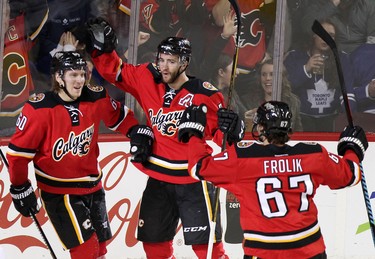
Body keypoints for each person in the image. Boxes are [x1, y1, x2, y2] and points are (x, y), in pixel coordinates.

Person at [82, 17, 245, 258]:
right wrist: (101, 50)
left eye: (171, 61)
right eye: (161, 60)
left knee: (208, 250)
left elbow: (221, 136)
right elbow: (115, 71)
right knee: (154, 245)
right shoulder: (147, 77)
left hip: (194, 181)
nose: (164, 66)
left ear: (185, 63)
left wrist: (233, 131)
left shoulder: (205, 94)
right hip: (159, 179)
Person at [178, 100, 368, 258]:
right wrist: (352, 148)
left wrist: (195, 135)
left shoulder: (243, 158)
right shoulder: (314, 154)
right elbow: (350, 175)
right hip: (310, 249)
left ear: (261, 127)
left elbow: (198, 167)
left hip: (264, 250)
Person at [6, 51, 141, 259]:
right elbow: (18, 155)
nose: (79, 80)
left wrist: (136, 131)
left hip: (93, 186)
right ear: (59, 77)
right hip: (60, 192)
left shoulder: (95, 96)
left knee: (100, 248)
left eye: (82, 74)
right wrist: (19, 186)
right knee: (85, 250)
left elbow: (119, 117)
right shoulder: (40, 108)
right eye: (73, 75)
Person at [284, 19, 354, 132]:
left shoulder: (342, 59)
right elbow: (286, 88)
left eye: (331, 35)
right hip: (301, 119)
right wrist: (306, 68)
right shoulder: (295, 57)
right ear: (313, 35)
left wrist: (349, 120)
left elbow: (347, 92)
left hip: (331, 119)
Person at [244, 58, 303, 132]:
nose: (267, 78)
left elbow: (298, 131)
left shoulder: (293, 101)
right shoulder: (247, 101)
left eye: (272, 74)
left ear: (281, 78)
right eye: (264, 75)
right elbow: (246, 132)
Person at [298, 0, 375, 54]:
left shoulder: (367, 3)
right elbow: (308, 27)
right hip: (332, 57)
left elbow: (372, 39)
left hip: (361, 55)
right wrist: (332, 4)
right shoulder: (319, 3)